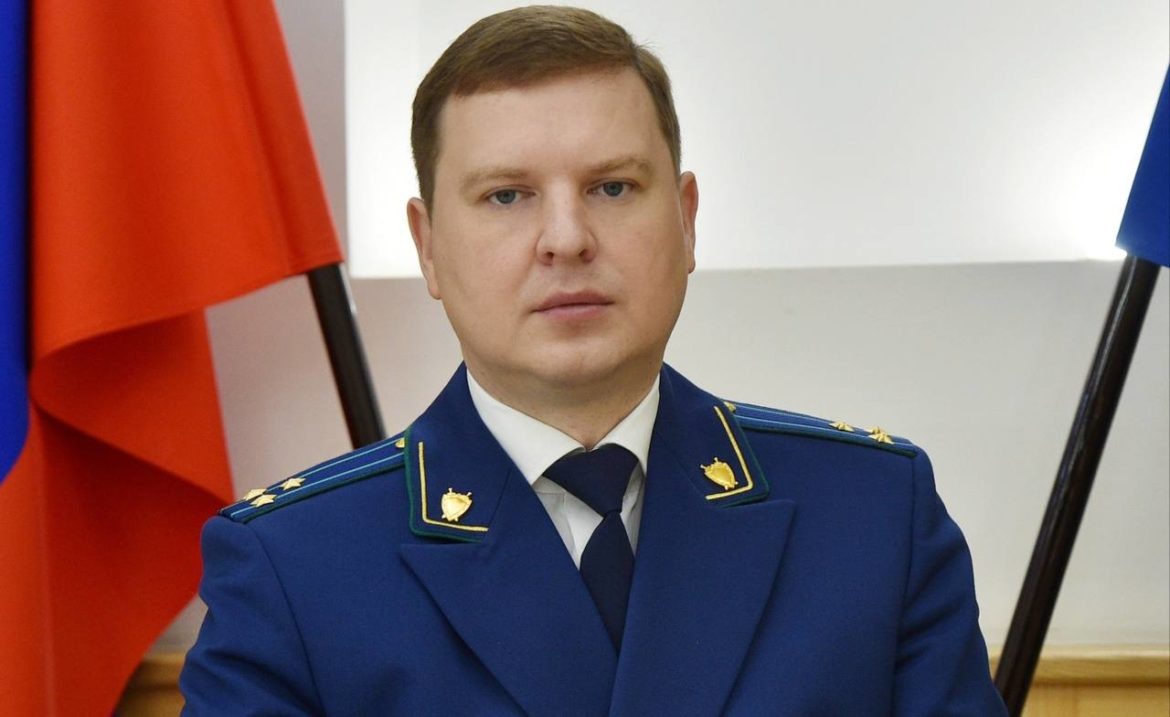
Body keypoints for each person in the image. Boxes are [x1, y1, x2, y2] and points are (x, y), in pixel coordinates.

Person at [180, 6, 1007, 715]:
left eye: (612, 187)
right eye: (507, 195)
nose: (567, 238)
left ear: (686, 219)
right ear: (428, 246)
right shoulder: (295, 568)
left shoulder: (871, 518)